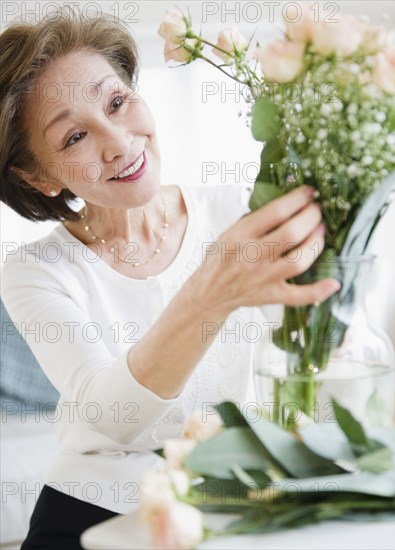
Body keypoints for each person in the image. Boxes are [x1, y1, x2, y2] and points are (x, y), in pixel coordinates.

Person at [0, 7, 340, 549]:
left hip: (228, 500)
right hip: (93, 507)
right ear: (37, 176)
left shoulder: (240, 211)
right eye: (74, 138)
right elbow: (108, 416)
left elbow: (320, 350)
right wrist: (209, 298)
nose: (119, 142)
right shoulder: (35, 271)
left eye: (117, 101)